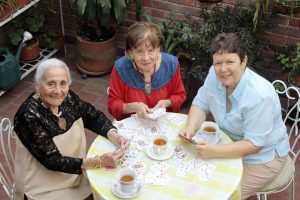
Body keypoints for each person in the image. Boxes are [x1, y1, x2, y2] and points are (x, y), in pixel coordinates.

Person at [179, 32, 290, 199]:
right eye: (218, 63)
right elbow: (201, 104)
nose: (223, 70)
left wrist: (215, 151)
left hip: (263, 158)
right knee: (191, 177)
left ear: (244, 61)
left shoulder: (260, 96)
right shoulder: (213, 74)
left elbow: (254, 144)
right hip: (229, 143)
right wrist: (190, 127)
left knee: (220, 194)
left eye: (230, 62)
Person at [13, 58, 127, 200]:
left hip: (75, 174)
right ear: (38, 85)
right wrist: (99, 161)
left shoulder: (67, 98)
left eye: (63, 83)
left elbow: (92, 116)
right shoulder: (28, 115)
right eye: (50, 84)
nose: (58, 91)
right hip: (44, 187)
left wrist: (114, 135)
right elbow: (53, 161)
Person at [108, 22, 186, 120]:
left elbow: (180, 95)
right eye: (139, 51)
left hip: (162, 124)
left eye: (151, 50)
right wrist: (133, 107)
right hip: (133, 126)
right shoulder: (120, 68)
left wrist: (167, 102)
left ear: (158, 50)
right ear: (129, 53)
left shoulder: (171, 64)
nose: (146, 58)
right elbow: (113, 104)